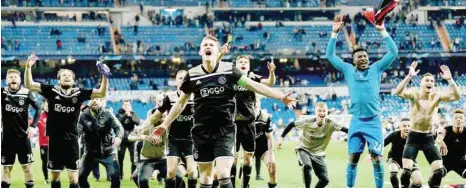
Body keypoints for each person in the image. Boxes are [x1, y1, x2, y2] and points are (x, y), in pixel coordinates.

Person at [152, 35, 295, 188]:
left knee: (223, 174)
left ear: (217, 50)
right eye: (205, 45)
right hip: (201, 131)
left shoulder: (229, 71)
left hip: (225, 130)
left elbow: (255, 86)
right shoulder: (192, 75)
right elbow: (180, 103)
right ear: (200, 51)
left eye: (211, 45)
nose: (208, 47)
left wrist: (281, 96)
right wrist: (165, 124)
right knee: (206, 178)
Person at [326, 15, 398, 188]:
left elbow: (394, 52)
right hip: (356, 121)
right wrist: (334, 34)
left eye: (365, 56)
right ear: (354, 60)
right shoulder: (348, 69)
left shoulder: (376, 68)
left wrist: (383, 30)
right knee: (353, 158)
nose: (364, 59)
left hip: (373, 121)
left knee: (376, 158)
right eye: (360, 57)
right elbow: (330, 56)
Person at [24, 53, 109, 188]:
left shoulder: (79, 93)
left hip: (72, 141)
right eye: (64, 76)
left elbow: (102, 93)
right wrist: (28, 67)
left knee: (73, 179)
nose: (67, 77)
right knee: (55, 177)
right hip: (55, 141)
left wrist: (105, 76)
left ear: (73, 80)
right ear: (59, 80)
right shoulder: (50, 91)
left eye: (70, 76)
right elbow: (29, 84)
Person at [394, 61, 461, 188]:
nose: (429, 83)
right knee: (407, 171)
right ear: (421, 83)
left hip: (428, 138)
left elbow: (457, 96)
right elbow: (398, 92)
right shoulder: (414, 94)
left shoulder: (437, 96)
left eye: (431, 81)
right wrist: (409, 77)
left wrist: (451, 80)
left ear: (434, 84)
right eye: (427, 81)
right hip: (413, 137)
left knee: (438, 171)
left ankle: (432, 185)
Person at [140, 70, 198, 188]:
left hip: (191, 139)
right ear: (175, 81)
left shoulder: (196, 97)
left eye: (185, 78)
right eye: (180, 78)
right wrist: (142, 127)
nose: (182, 80)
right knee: (171, 172)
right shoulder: (170, 97)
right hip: (174, 139)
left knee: (192, 171)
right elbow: (156, 115)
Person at [277, 102, 348, 188]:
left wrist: (353, 137)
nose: (322, 113)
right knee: (307, 166)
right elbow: (292, 124)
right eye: (319, 111)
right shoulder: (308, 122)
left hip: (319, 153)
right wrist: (281, 138)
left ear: (327, 112)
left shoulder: (331, 124)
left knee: (325, 180)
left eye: (324, 111)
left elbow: (346, 130)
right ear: (315, 112)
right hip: (304, 148)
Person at [231, 55, 276, 188]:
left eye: (246, 62)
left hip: (249, 122)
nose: (243, 64)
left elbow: (270, 83)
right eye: (241, 62)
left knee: (248, 156)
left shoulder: (253, 78)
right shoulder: (231, 78)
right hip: (232, 122)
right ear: (236, 65)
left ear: (249, 66)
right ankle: (232, 185)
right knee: (232, 158)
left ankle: (246, 185)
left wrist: (271, 72)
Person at [1, 68, 41, 188]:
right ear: (6, 80)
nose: (13, 79)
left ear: (19, 80)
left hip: (23, 137)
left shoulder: (26, 92)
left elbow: (38, 108)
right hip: (7, 139)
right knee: (6, 169)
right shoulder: (2, 92)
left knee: (27, 168)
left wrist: (33, 126)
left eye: (15, 77)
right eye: (10, 77)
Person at [78, 98, 124, 188]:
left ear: (101, 101)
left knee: (115, 177)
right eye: (92, 99)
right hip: (90, 153)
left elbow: (119, 127)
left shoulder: (108, 113)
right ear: (88, 102)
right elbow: (77, 131)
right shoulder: (82, 116)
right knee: (81, 177)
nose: (95, 101)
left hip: (108, 152)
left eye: (97, 99)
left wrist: (118, 137)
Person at [128, 119, 185, 188]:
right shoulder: (145, 128)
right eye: (161, 116)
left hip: (163, 159)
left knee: (179, 176)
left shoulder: (169, 128)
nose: (163, 118)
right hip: (147, 160)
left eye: (164, 116)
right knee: (138, 178)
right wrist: (143, 137)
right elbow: (130, 137)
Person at [384, 117, 422, 188]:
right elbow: (382, 144)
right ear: (400, 127)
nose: (407, 128)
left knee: (418, 183)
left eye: (409, 126)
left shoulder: (415, 138)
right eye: (404, 126)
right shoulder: (394, 135)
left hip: (410, 161)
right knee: (393, 172)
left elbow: (426, 146)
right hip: (395, 160)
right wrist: (370, 153)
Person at [252, 100, 276, 187]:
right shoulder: (244, 118)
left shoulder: (266, 117)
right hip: (250, 148)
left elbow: (270, 138)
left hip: (264, 148)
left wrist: (271, 157)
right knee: (245, 165)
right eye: (253, 104)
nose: (255, 106)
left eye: (257, 104)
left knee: (272, 169)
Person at [437, 109, 466, 180]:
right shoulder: (446, 129)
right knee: (436, 172)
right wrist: (441, 141)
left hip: (461, 162)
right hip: (445, 161)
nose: (458, 120)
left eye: (461, 118)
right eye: (456, 118)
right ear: (452, 120)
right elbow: (439, 136)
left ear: (464, 121)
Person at [116, 100, 141, 179]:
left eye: (128, 105)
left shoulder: (133, 114)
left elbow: (138, 122)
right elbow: (118, 122)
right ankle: (120, 175)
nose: (126, 106)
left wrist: (130, 116)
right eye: (125, 105)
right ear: (122, 106)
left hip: (132, 140)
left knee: (133, 159)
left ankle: (132, 175)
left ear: (131, 107)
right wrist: (125, 115)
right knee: (120, 158)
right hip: (122, 140)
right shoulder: (119, 114)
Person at [38, 100, 50, 184]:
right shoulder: (39, 116)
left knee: (57, 161)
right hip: (43, 144)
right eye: (46, 105)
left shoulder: (55, 116)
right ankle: (46, 178)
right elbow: (31, 123)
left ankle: (55, 177)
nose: (48, 106)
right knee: (44, 162)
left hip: (54, 143)